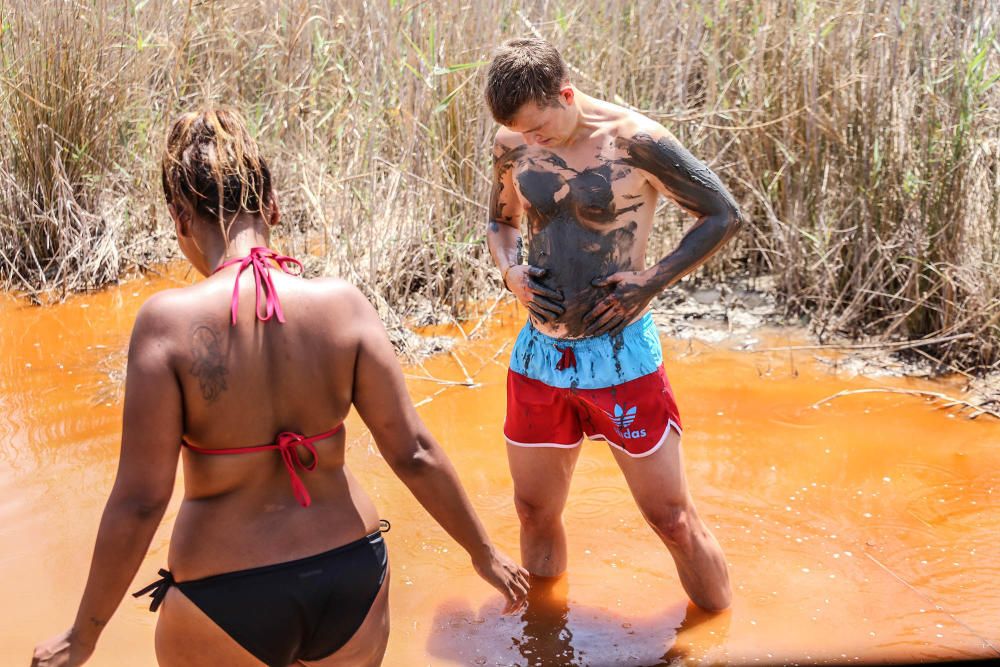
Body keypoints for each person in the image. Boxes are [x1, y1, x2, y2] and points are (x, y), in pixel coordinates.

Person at [32, 108, 528, 667]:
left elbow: (142, 501)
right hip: (352, 577)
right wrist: (483, 554)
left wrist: (83, 636)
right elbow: (412, 451)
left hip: (224, 597)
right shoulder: (344, 305)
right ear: (272, 205)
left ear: (178, 218)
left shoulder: (166, 324)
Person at [485, 38, 738, 612]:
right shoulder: (512, 141)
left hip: (621, 355)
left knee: (671, 520)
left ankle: (720, 635)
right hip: (540, 356)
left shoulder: (636, 140)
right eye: (519, 133)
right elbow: (500, 222)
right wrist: (510, 273)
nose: (530, 141)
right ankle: (545, 634)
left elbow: (723, 213)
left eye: (539, 129)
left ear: (566, 95)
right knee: (532, 511)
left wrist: (652, 280)